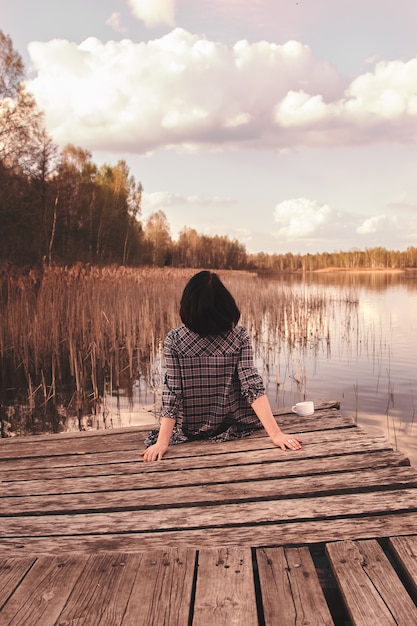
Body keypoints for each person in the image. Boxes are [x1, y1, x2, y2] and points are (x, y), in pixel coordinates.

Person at [140, 271, 302, 462]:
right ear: (225, 306)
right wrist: (276, 434)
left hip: (192, 427)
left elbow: (173, 393)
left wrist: (162, 442)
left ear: (187, 306)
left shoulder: (175, 340)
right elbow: (251, 386)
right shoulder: (239, 336)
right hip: (235, 422)